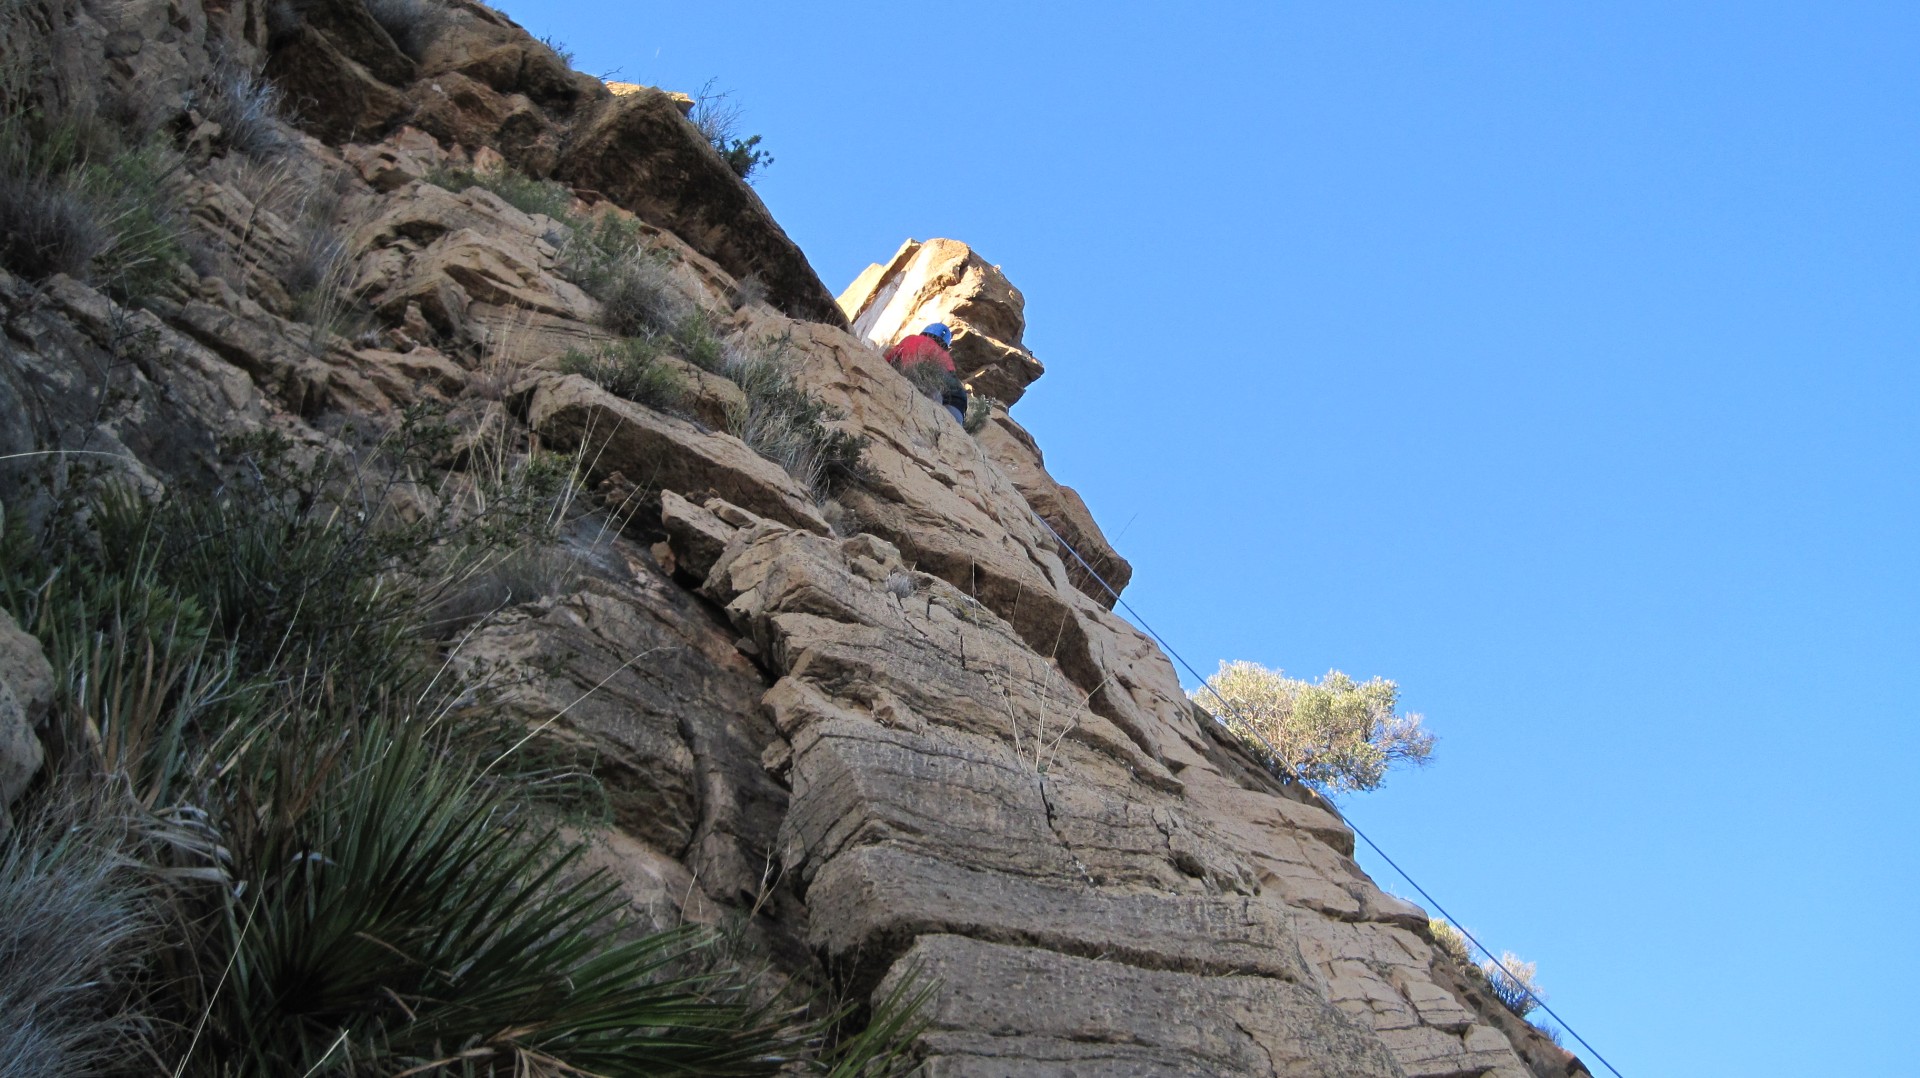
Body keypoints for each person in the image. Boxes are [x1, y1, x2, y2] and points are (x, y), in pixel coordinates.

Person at [885, 322, 968, 423]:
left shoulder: (912, 339)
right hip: (958, 406)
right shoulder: (946, 357)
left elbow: (888, 360)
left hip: (936, 397)